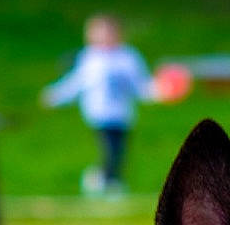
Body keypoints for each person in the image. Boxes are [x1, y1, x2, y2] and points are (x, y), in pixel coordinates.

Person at [40, 15, 154, 195]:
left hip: (122, 114)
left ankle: (106, 179)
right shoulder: (90, 59)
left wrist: (158, 92)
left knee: (120, 150)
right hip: (99, 113)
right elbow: (76, 83)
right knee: (110, 149)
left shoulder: (128, 57)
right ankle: (106, 182)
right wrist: (55, 95)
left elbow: (140, 84)